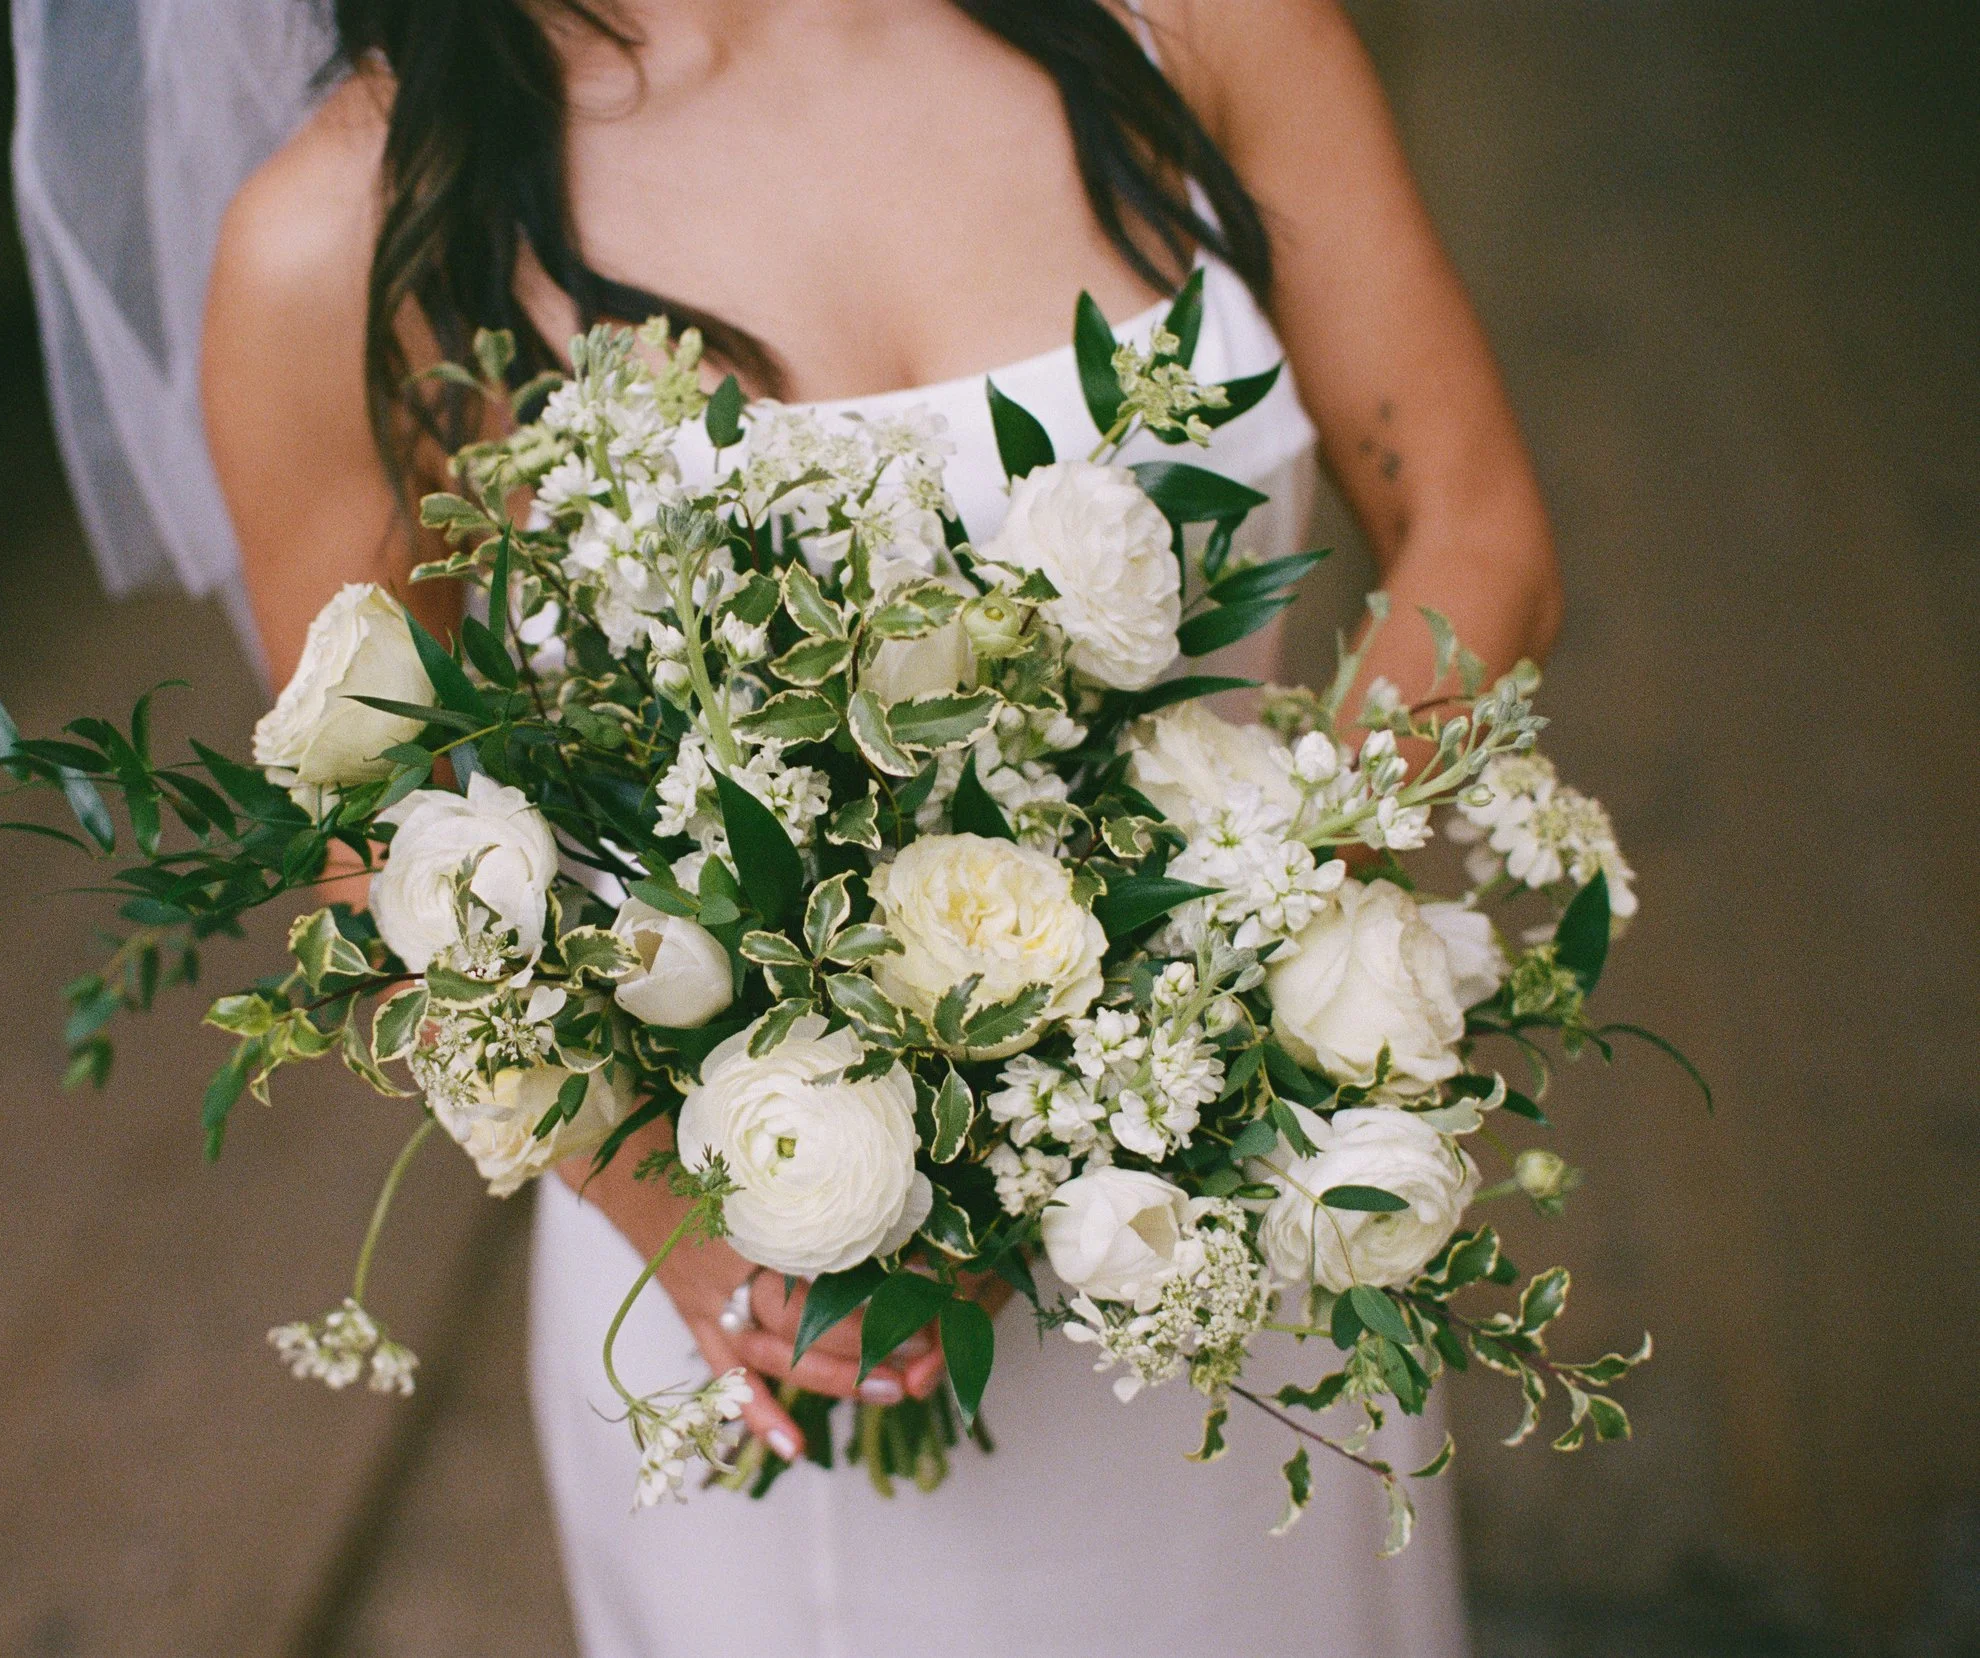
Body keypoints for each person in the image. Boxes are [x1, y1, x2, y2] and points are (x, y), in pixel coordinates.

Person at [194, 3, 1559, 1652]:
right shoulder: (346, 235)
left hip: (1228, 1237)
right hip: (785, 1315)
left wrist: (1212, 985)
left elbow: (1472, 526)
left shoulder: (1194, 25)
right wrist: (685, 1216)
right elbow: (369, 837)